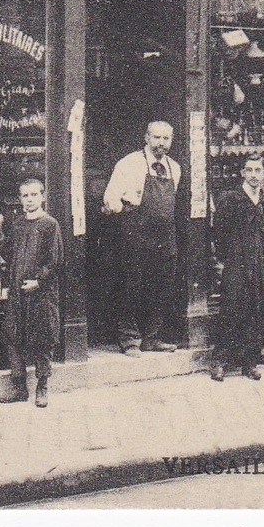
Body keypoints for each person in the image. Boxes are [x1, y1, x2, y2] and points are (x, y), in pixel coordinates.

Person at [102, 120, 183, 356]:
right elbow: (110, 198)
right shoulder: (129, 163)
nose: (161, 143)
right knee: (132, 285)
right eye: (156, 137)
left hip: (165, 234)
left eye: (166, 138)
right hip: (135, 232)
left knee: (162, 285)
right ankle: (129, 339)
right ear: (146, 138)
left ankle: (152, 336)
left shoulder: (174, 168)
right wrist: (123, 211)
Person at [208, 154, 264, 382]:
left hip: (262, 265)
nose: (254, 175)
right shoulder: (230, 199)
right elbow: (219, 234)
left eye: (258, 170)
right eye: (249, 170)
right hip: (237, 264)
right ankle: (220, 361)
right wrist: (228, 259)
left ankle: (250, 361)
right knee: (231, 311)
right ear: (242, 174)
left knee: (257, 312)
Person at [0, 176, 63, 407]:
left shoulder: (50, 225)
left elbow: (55, 261)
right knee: (14, 335)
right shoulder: (18, 224)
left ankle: (42, 387)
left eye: (34, 194)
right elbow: (7, 253)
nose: (29, 200)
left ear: (42, 197)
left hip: (41, 294)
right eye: (25, 195)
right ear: (20, 199)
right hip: (18, 291)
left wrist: (39, 281)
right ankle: (19, 387)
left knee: (43, 337)